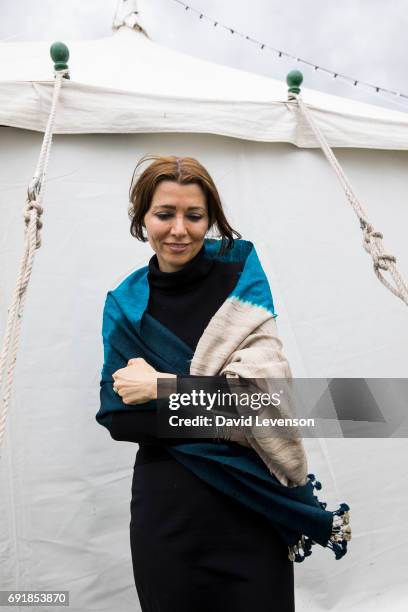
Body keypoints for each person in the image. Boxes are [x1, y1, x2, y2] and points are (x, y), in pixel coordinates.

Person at [96, 155, 351, 612]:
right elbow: (118, 417)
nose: (179, 229)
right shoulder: (126, 304)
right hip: (168, 513)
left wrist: (164, 388)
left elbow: (272, 403)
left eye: (194, 216)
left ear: (210, 218)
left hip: (250, 505)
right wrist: (226, 403)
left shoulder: (240, 280)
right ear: (142, 219)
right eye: (164, 214)